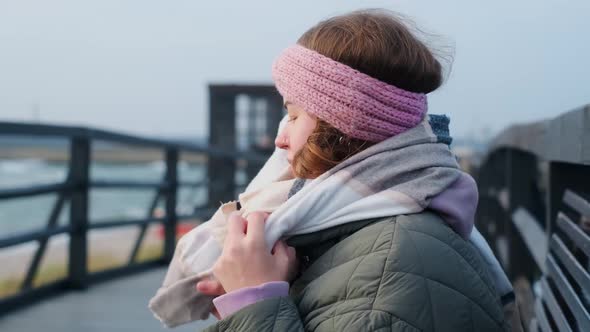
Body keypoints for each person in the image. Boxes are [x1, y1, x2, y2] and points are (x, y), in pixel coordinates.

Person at [153, 9, 521, 331]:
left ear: (343, 127)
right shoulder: (373, 224)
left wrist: (253, 302)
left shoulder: (390, 269)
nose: (280, 141)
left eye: (295, 115)